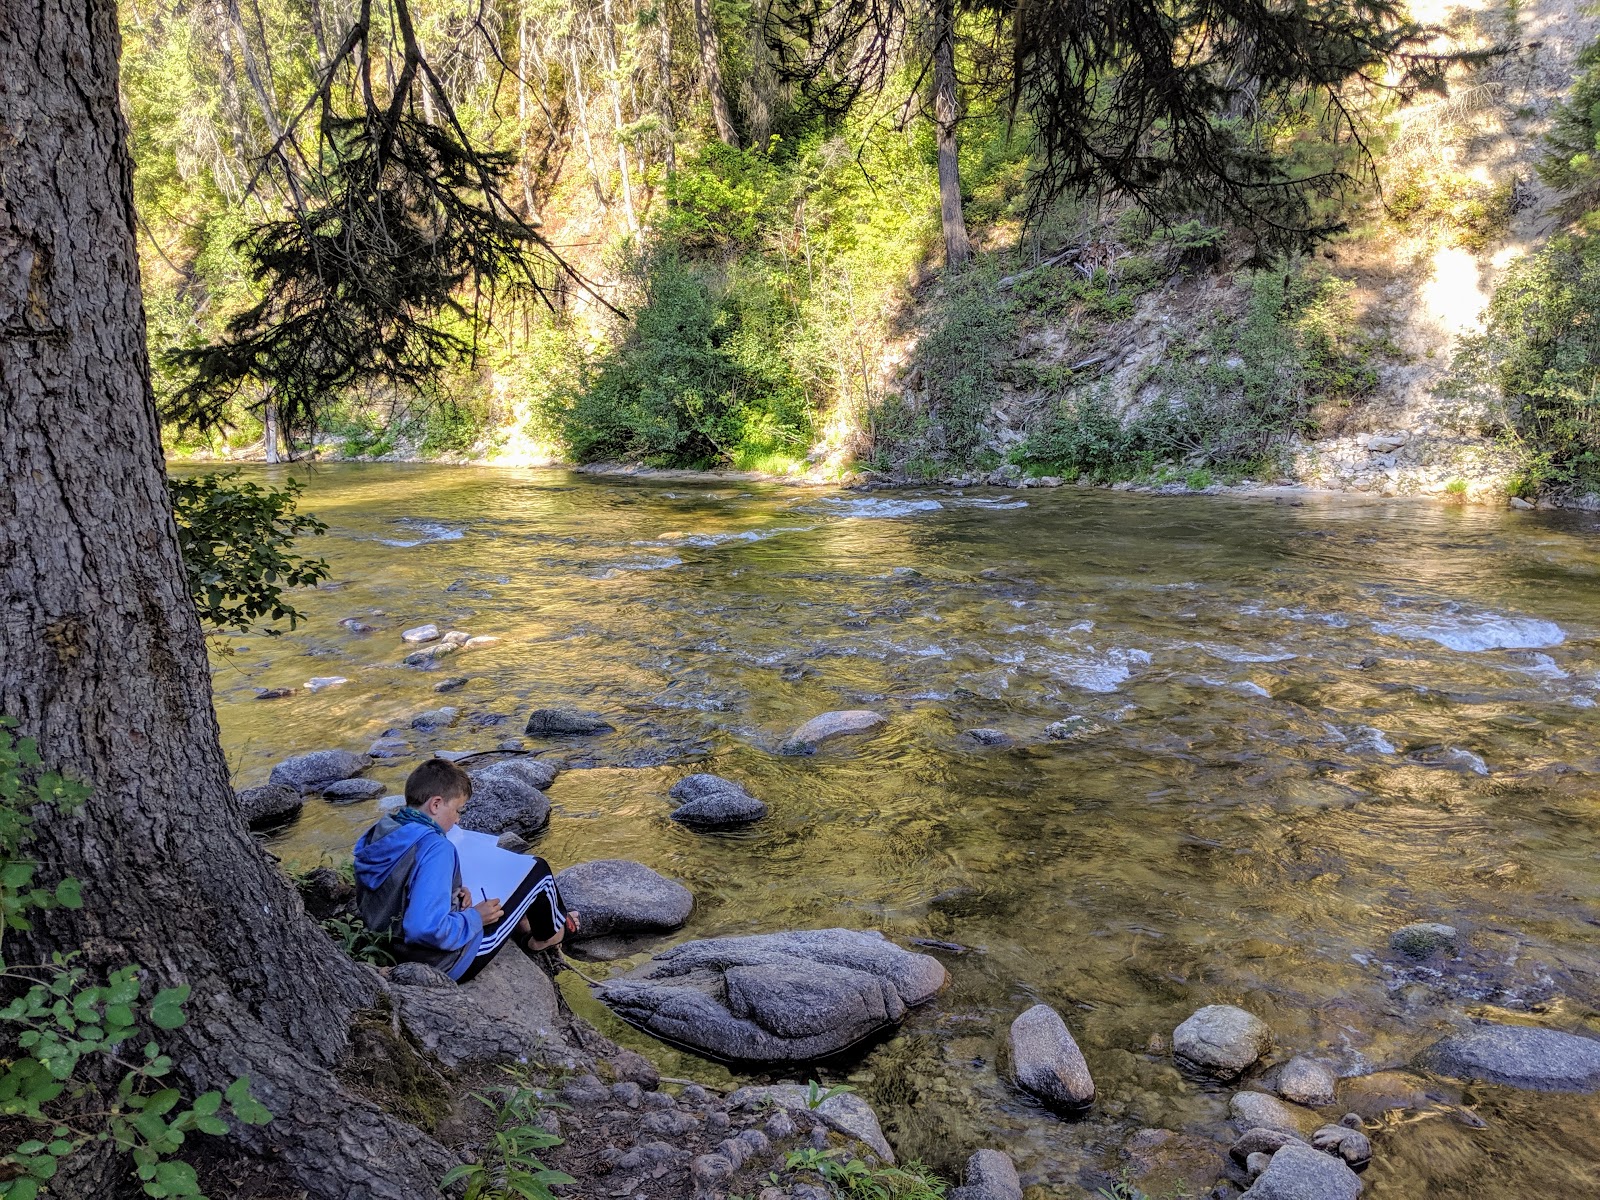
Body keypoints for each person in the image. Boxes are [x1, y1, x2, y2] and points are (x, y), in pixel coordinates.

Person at [352, 757, 578, 981]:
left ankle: (525, 922)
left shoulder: (384, 830)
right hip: (447, 961)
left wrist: (454, 894)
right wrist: (475, 917)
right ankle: (548, 936)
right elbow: (424, 928)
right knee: (538, 871)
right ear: (436, 804)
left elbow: (400, 887)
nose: (458, 820)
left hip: (392, 948)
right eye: (458, 810)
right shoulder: (436, 848)